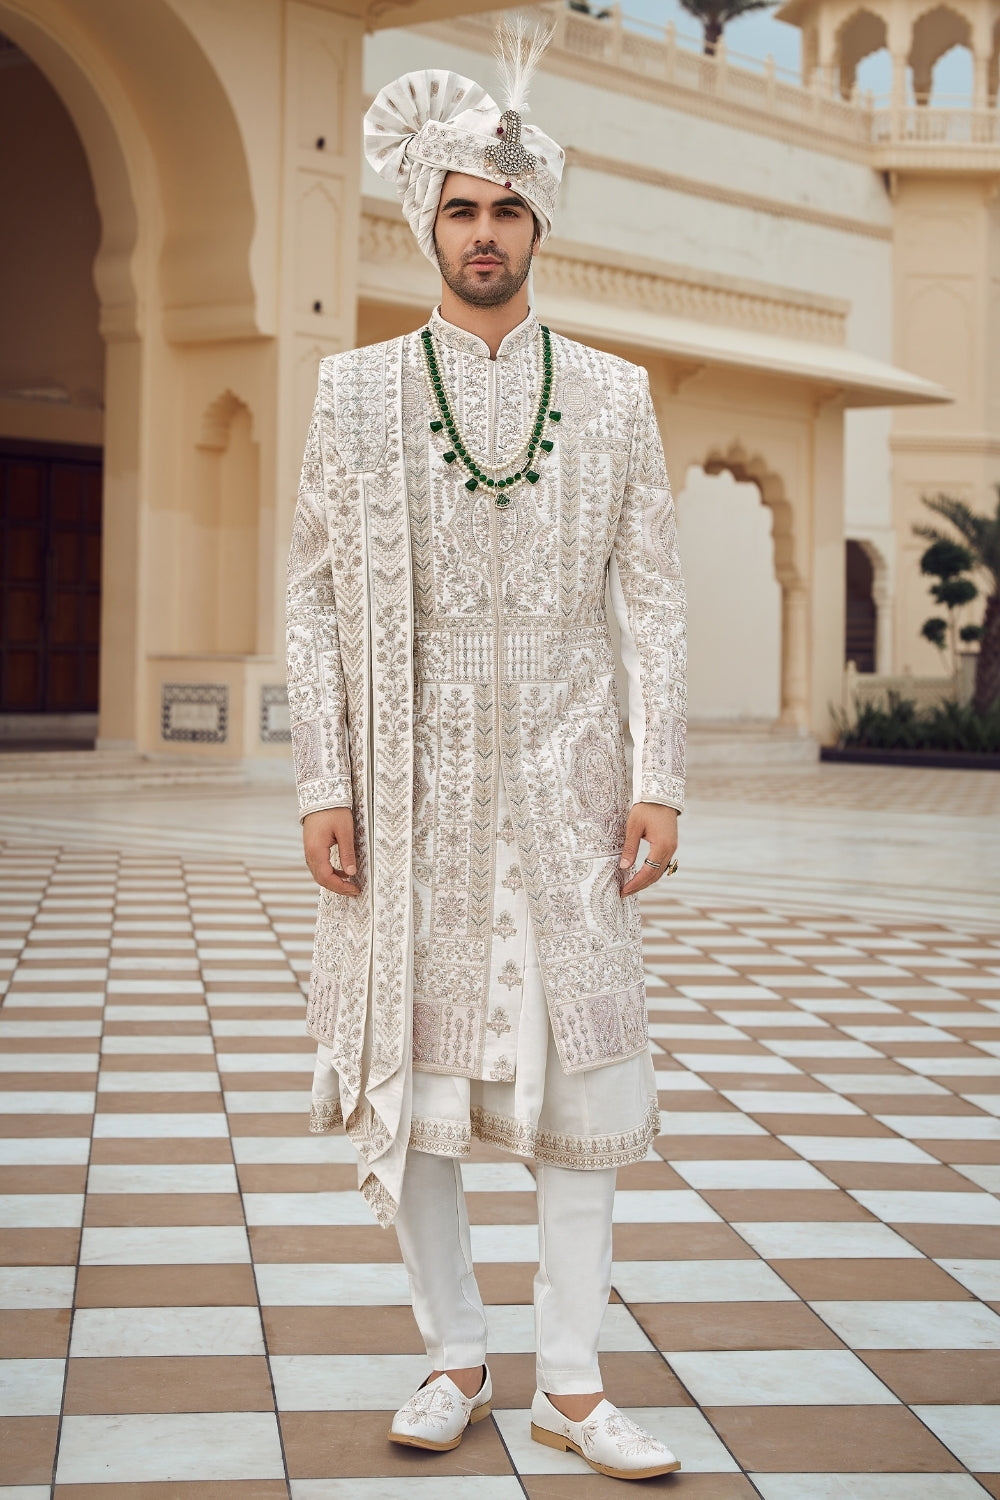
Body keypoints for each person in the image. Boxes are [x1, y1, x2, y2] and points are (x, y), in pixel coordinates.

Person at [285, 23, 686, 1482]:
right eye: (460, 207)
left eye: (508, 209)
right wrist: (323, 779)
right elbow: (314, 599)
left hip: (571, 780)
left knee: (582, 1089)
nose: (484, 232)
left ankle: (575, 1385)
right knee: (428, 1078)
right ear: (425, 220)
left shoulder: (621, 398)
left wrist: (661, 776)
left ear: (541, 226)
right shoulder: (356, 395)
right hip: (411, 783)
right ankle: (455, 1352)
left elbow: (650, 597)